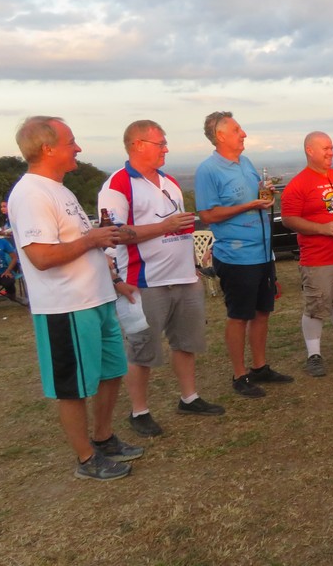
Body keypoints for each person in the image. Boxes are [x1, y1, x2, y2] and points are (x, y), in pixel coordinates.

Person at [9, 116, 143, 481]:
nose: (78, 148)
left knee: (111, 371)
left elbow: (80, 244)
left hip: (97, 298)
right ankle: (86, 459)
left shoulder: (60, 189)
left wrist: (113, 279)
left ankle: (103, 438)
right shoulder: (31, 193)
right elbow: (41, 256)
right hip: (66, 306)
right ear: (47, 148)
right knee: (73, 387)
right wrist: (92, 239)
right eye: (71, 142)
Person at [98, 120, 225, 438]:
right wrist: (164, 227)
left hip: (183, 277)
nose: (166, 149)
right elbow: (114, 234)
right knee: (143, 349)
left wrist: (192, 265)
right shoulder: (118, 185)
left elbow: (181, 228)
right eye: (161, 143)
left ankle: (189, 397)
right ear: (138, 145)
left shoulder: (169, 182)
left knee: (186, 342)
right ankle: (139, 411)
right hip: (145, 281)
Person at [195, 111, 292, 398]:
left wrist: (265, 193)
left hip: (263, 252)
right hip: (236, 256)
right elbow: (207, 215)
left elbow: (255, 198)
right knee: (239, 315)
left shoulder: (246, 162)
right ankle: (240, 375)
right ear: (220, 135)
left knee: (262, 311)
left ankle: (260, 367)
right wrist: (248, 206)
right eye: (237, 130)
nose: (244, 134)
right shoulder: (208, 170)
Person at [279, 132, 333, 378]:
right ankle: (314, 356)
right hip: (319, 259)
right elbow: (288, 219)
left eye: (331, 148)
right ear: (310, 150)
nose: (331, 152)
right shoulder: (298, 184)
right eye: (325, 148)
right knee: (316, 307)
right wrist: (322, 228)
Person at [0, 233, 21, 302]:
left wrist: (8, 270)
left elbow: (14, 258)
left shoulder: (3, 242)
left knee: (9, 281)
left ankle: (12, 296)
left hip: (4, 271)